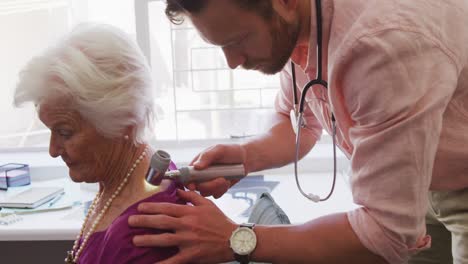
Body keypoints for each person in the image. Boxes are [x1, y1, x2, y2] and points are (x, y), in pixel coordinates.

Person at [128, 0, 468, 263]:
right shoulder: (298, 24)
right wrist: (247, 157)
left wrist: (236, 239)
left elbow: (386, 235)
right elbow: (299, 123)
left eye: (238, 40)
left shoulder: (379, 46)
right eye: (220, 45)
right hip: (419, 182)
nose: (232, 61)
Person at [14, 24, 185, 263]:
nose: (53, 151)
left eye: (65, 133)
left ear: (122, 120)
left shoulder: (141, 235)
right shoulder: (127, 178)